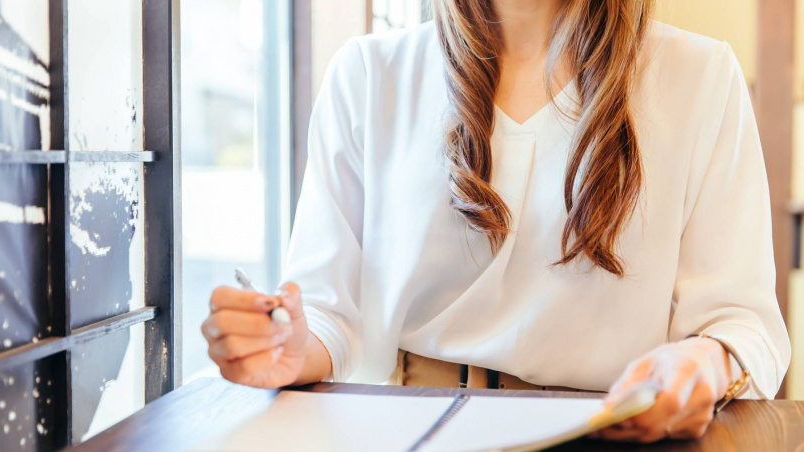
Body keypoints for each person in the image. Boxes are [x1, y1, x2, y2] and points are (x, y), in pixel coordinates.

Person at [202, 0, 791, 442]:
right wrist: (284, 344)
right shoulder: (367, 74)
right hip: (411, 431)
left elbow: (742, 325)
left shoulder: (702, 75)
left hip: (611, 436)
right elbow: (332, 317)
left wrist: (704, 361)